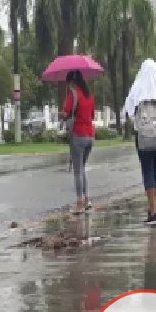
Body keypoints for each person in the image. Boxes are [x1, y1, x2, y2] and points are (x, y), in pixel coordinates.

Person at [123, 59, 156, 227]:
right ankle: (151, 208)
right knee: (155, 171)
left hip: (144, 139)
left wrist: (136, 122)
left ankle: (153, 213)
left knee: (147, 172)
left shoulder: (138, 87)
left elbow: (128, 109)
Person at [62, 71, 96, 214]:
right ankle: (87, 199)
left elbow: (65, 114)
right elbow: (92, 115)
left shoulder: (73, 95)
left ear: (72, 82)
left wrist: (63, 115)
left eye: (68, 83)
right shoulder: (89, 96)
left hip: (78, 135)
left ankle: (79, 203)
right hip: (90, 136)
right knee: (82, 168)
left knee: (77, 171)